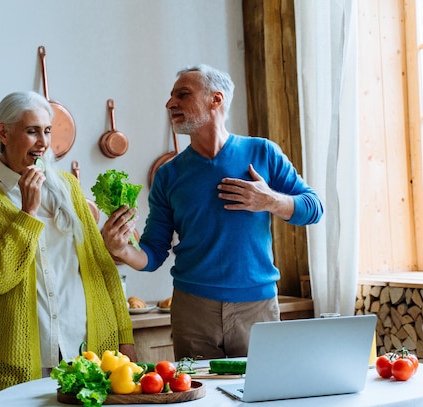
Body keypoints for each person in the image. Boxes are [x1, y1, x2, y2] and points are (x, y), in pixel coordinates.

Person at [101, 64, 323, 360]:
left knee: (263, 401)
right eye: (170, 97)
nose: (170, 104)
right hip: (193, 312)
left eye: (182, 94)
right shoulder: (169, 175)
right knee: (197, 402)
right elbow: (153, 253)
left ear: (215, 100)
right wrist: (122, 249)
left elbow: (314, 208)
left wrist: (269, 201)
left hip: (257, 307)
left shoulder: (263, 153)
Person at [0, 91, 136, 393]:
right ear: (4, 132)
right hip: (28, 352)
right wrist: (28, 212)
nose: (43, 142)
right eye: (32, 131)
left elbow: (102, 267)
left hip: (89, 344)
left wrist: (125, 337)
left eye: (47, 131)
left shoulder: (67, 185)